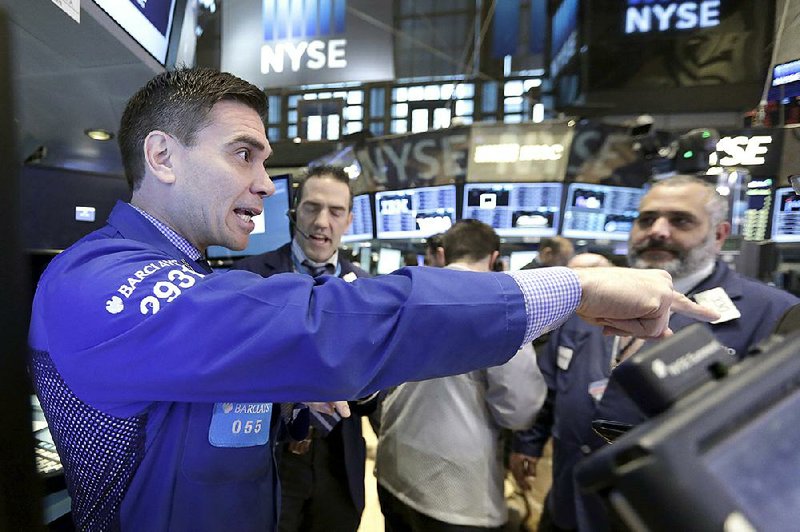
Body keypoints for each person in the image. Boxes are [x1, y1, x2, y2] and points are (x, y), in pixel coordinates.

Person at [27, 67, 715, 531]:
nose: (268, 184)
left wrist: (288, 403)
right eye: (244, 154)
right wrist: (571, 285)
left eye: (266, 160)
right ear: (163, 156)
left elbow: (184, 410)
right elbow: (318, 325)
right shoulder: (96, 281)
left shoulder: (190, 270)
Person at [510, 174, 799, 532]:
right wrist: (530, 443)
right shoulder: (591, 295)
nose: (658, 231)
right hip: (569, 507)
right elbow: (553, 384)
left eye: (680, 221)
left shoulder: (774, 313)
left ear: (720, 234)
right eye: (647, 220)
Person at [231, 165, 378, 532]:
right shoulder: (250, 276)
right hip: (268, 455)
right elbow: (234, 370)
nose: (322, 221)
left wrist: (366, 382)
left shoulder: (366, 288)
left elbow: (375, 392)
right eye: (312, 207)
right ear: (294, 211)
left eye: (335, 211)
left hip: (338, 457)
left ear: (349, 220)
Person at [376, 219, 548, 531]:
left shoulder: (406, 292)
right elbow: (519, 409)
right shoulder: (502, 305)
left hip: (393, 469)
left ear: (442, 254)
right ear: (495, 259)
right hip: (453, 493)